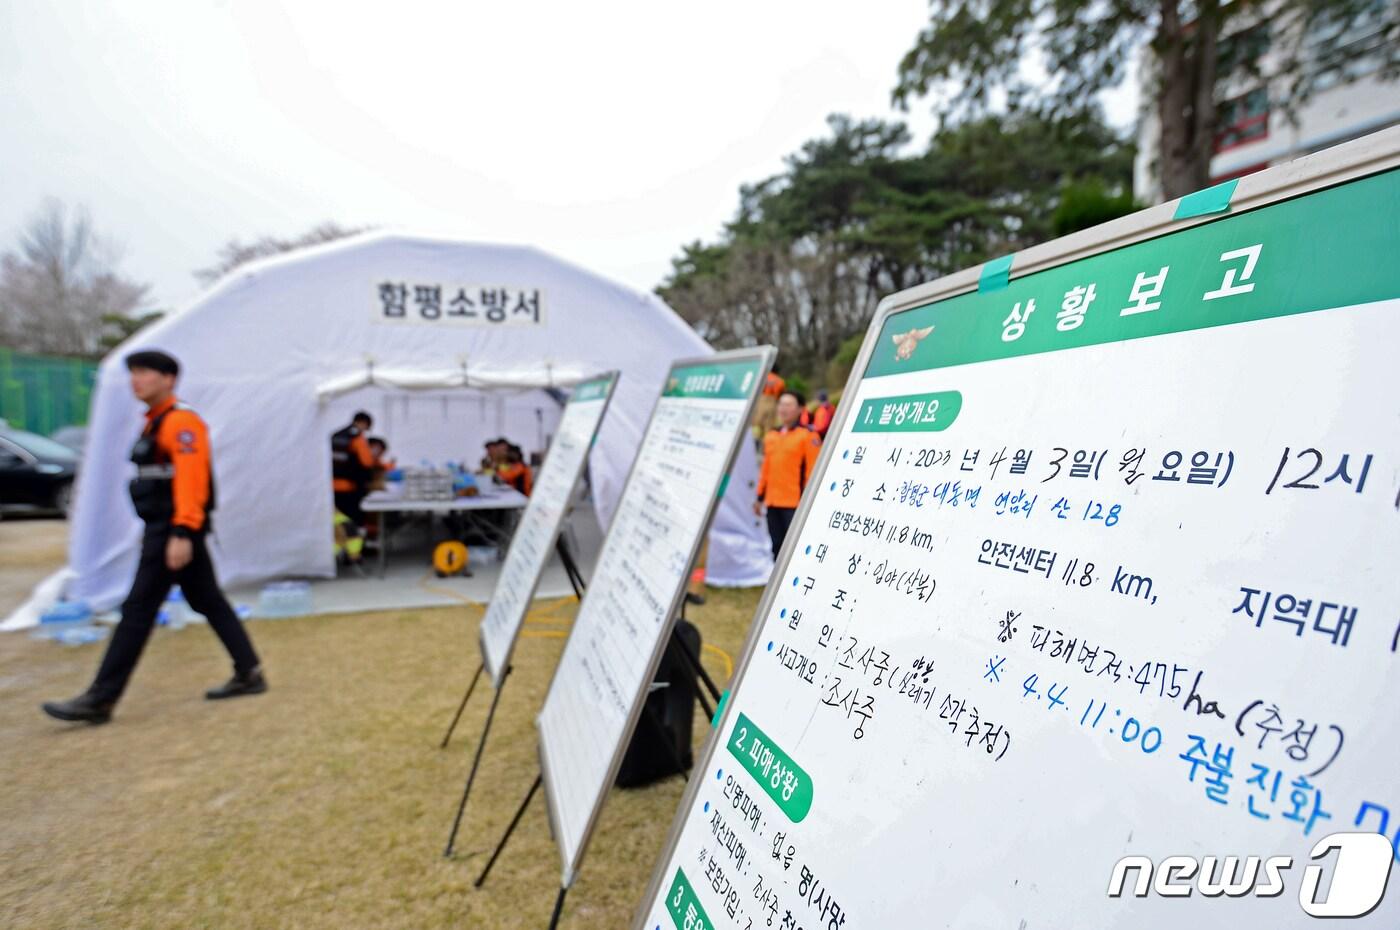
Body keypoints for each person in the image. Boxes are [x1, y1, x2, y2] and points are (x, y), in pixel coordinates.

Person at [42, 350, 265, 725]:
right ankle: (250, 672)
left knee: (138, 610)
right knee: (208, 600)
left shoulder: (181, 422)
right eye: (133, 373)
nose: (136, 381)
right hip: (163, 527)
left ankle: (101, 698)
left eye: (144, 372)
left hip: (171, 531)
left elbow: (192, 481)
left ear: (169, 379)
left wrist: (182, 532)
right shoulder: (155, 422)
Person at [754, 390, 822, 559]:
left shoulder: (808, 436)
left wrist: (809, 503)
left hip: (795, 504)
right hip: (772, 502)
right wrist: (759, 497)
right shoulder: (771, 435)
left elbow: (813, 472)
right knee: (777, 546)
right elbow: (766, 469)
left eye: (789, 405)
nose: (783, 409)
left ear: (800, 409)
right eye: (781, 404)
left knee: (795, 549)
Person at [330, 410, 376, 525]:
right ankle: (355, 541)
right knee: (353, 520)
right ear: (363, 423)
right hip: (349, 487)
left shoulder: (335, 435)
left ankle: (340, 542)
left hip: (332, 485)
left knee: (337, 520)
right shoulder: (357, 438)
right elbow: (367, 462)